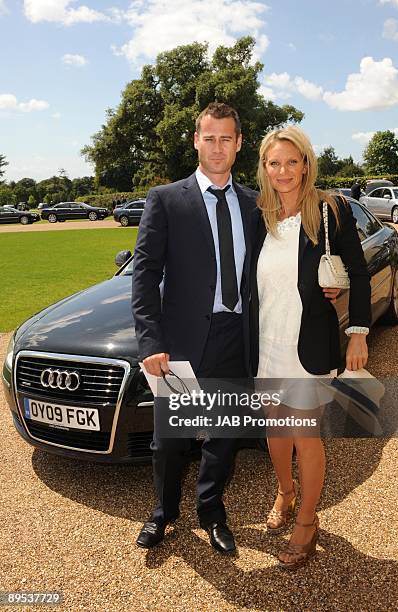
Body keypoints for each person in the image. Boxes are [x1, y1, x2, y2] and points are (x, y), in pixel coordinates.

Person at [132, 102, 259, 553]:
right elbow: (145, 274)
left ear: (239, 144)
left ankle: (211, 511)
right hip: (179, 345)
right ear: (195, 140)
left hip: (235, 339)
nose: (218, 146)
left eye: (227, 138)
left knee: (223, 437)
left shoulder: (253, 203)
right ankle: (163, 513)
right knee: (170, 441)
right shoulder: (165, 199)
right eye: (210, 138)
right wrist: (151, 341)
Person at [250, 126, 371, 569]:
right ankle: (285, 492)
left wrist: (357, 331)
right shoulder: (258, 213)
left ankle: (306, 520)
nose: (284, 171)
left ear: (306, 162)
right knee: (274, 431)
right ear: (264, 168)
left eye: (292, 161)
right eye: (274, 163)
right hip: (265, 341)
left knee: (305, 435)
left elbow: (356, 271)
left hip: (310, 344)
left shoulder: (329, 209)